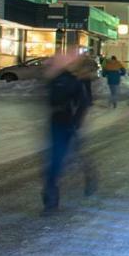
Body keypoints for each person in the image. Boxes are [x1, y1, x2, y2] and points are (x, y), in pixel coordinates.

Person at [42, 54, 98, 212]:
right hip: (56, 123)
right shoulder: (57, 80)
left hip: (68, 124)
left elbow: (84, 103)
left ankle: (89, 178)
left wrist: (75, 122)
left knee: (73, 156)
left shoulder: (74, 81)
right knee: (57, 160)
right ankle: (50, 200)